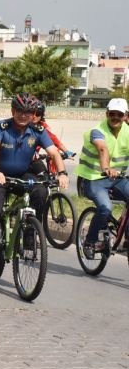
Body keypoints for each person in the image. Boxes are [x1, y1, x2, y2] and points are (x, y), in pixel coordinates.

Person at [0, 92, 69, 272]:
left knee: (41, 191)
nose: (23, 115)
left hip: (22, 175)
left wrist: (62, 173)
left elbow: (53, 152)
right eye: (19, 110)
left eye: (28, 112)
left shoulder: (37, 131)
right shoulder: (1, 126)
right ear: (13, 110)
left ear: (33, 114)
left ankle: (29, 235)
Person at [76, 98, 129, 259]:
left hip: (118, 179)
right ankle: (90, 241)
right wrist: (106, 168)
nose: (115, 117)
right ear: (106, 113)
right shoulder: (97, 130)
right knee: (105, 208)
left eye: (119, 114)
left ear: (126, 116)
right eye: (112, 113)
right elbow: (102, 148)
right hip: (93, 179)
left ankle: (127, 239)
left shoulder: (127, 131)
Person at [29, 100, 74, 175]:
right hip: (18, 158)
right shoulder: (21, 124)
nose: (34, 116)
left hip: (34, 160)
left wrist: (66, 152)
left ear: (42, 115)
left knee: (46, 178)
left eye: (38, 114)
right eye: (32, 113)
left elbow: (55, 141)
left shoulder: (43, 127)